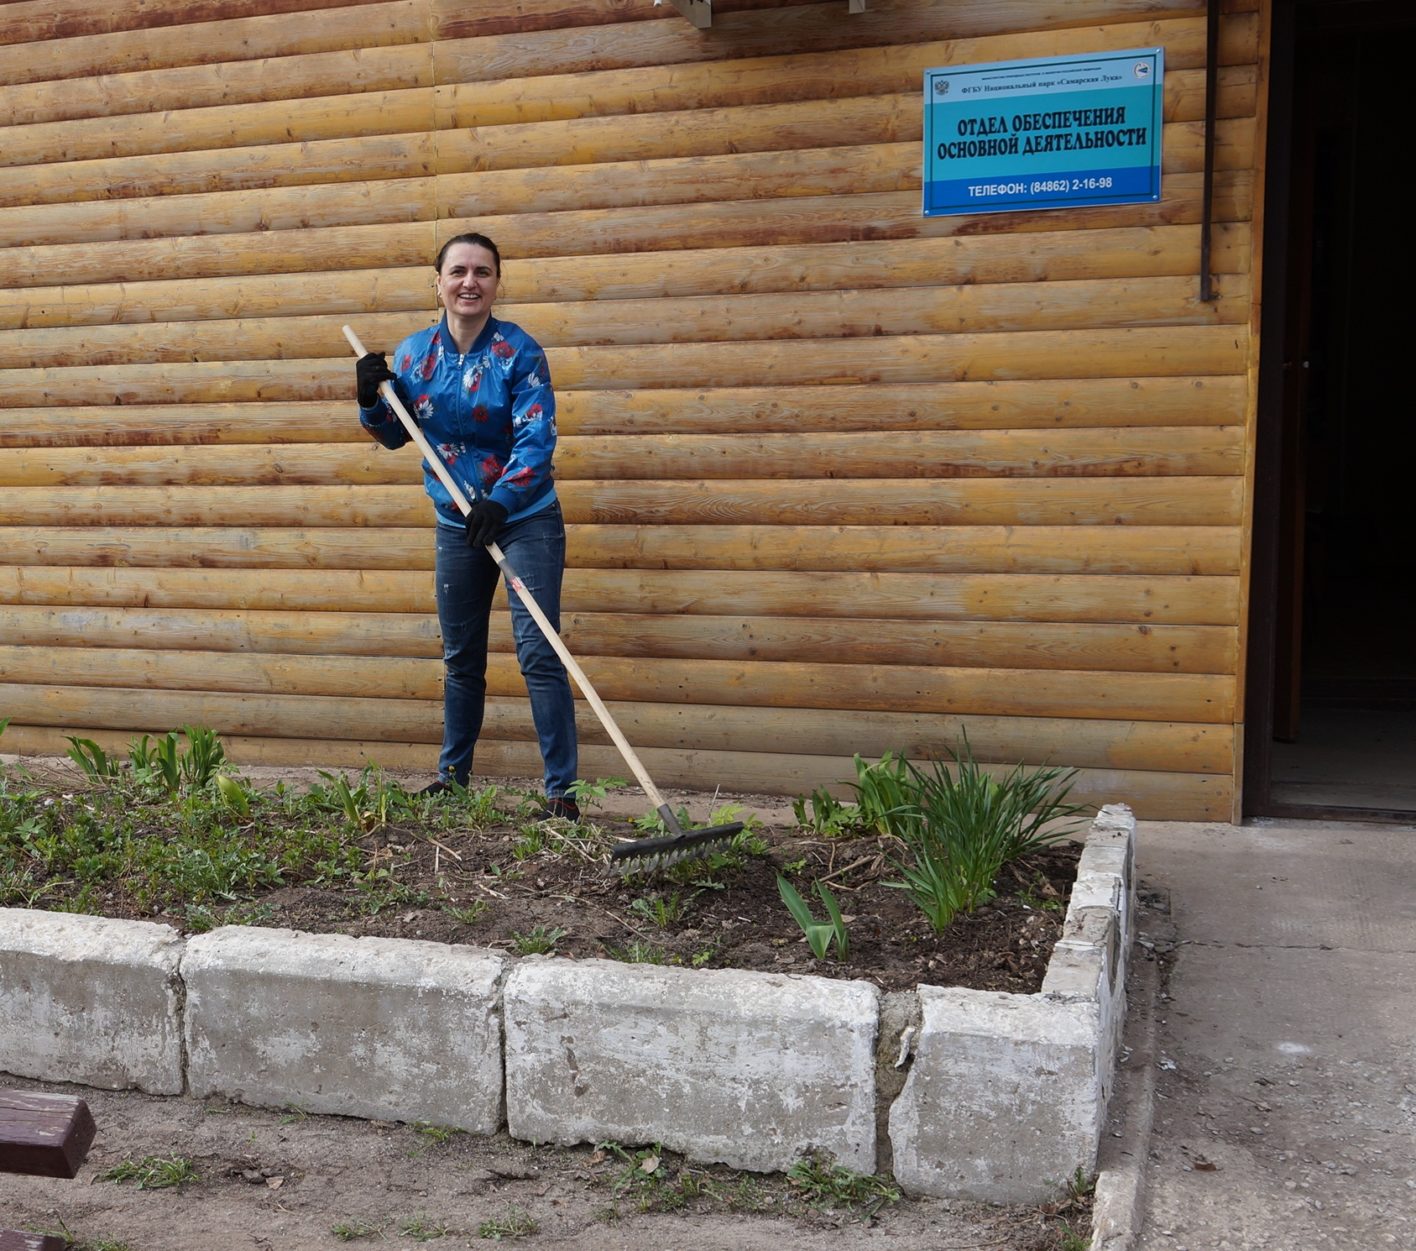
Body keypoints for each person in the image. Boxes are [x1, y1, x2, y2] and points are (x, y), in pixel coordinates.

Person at [354, 232, 579, 819]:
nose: (469, 282)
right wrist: (369, 397)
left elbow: (537, 437)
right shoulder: (412, 356)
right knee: (462, 656)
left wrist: (502, 500)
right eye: (458, 271)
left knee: (539, 651)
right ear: (439, 282)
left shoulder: (519, 353)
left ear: (496, 283)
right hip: (457, 525)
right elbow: (393, 433)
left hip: (524, 519)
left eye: (482, 272)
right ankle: (453, 778)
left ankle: (562, 792)